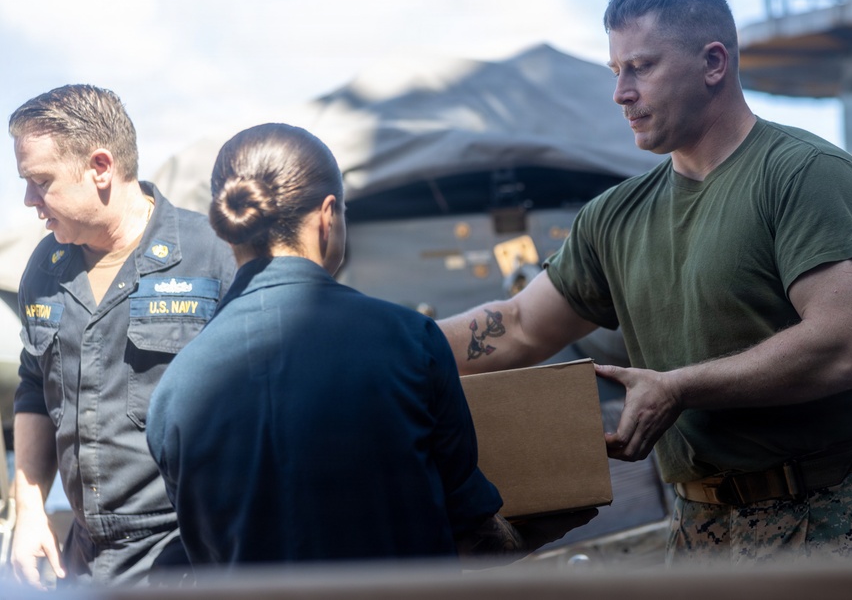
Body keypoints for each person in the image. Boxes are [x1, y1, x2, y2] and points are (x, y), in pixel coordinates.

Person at [438, 0, 852, 565]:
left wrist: (679, 388)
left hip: (833, 518)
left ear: (714, 63)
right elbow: (518, 325)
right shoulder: (613, 218)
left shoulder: (805, 174)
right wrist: (391, 350)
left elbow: (842, 347)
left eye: (640, 67)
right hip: (699, 529)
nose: (621, 92)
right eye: (615, 71)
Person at [145, 123, 569, 568]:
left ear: (229, 229)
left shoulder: (175, 392)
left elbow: (204, 552)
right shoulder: (409, 342)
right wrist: (549, 519)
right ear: (328, 216)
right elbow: (474, 537)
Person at [9, 85, 236, 587]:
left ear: (101, 167)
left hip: (188, 558)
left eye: (41, 181)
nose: (29, 200)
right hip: (83, 561)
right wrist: (28, 510)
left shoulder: (213, 255)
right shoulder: (44, 270)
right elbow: (33, 387)